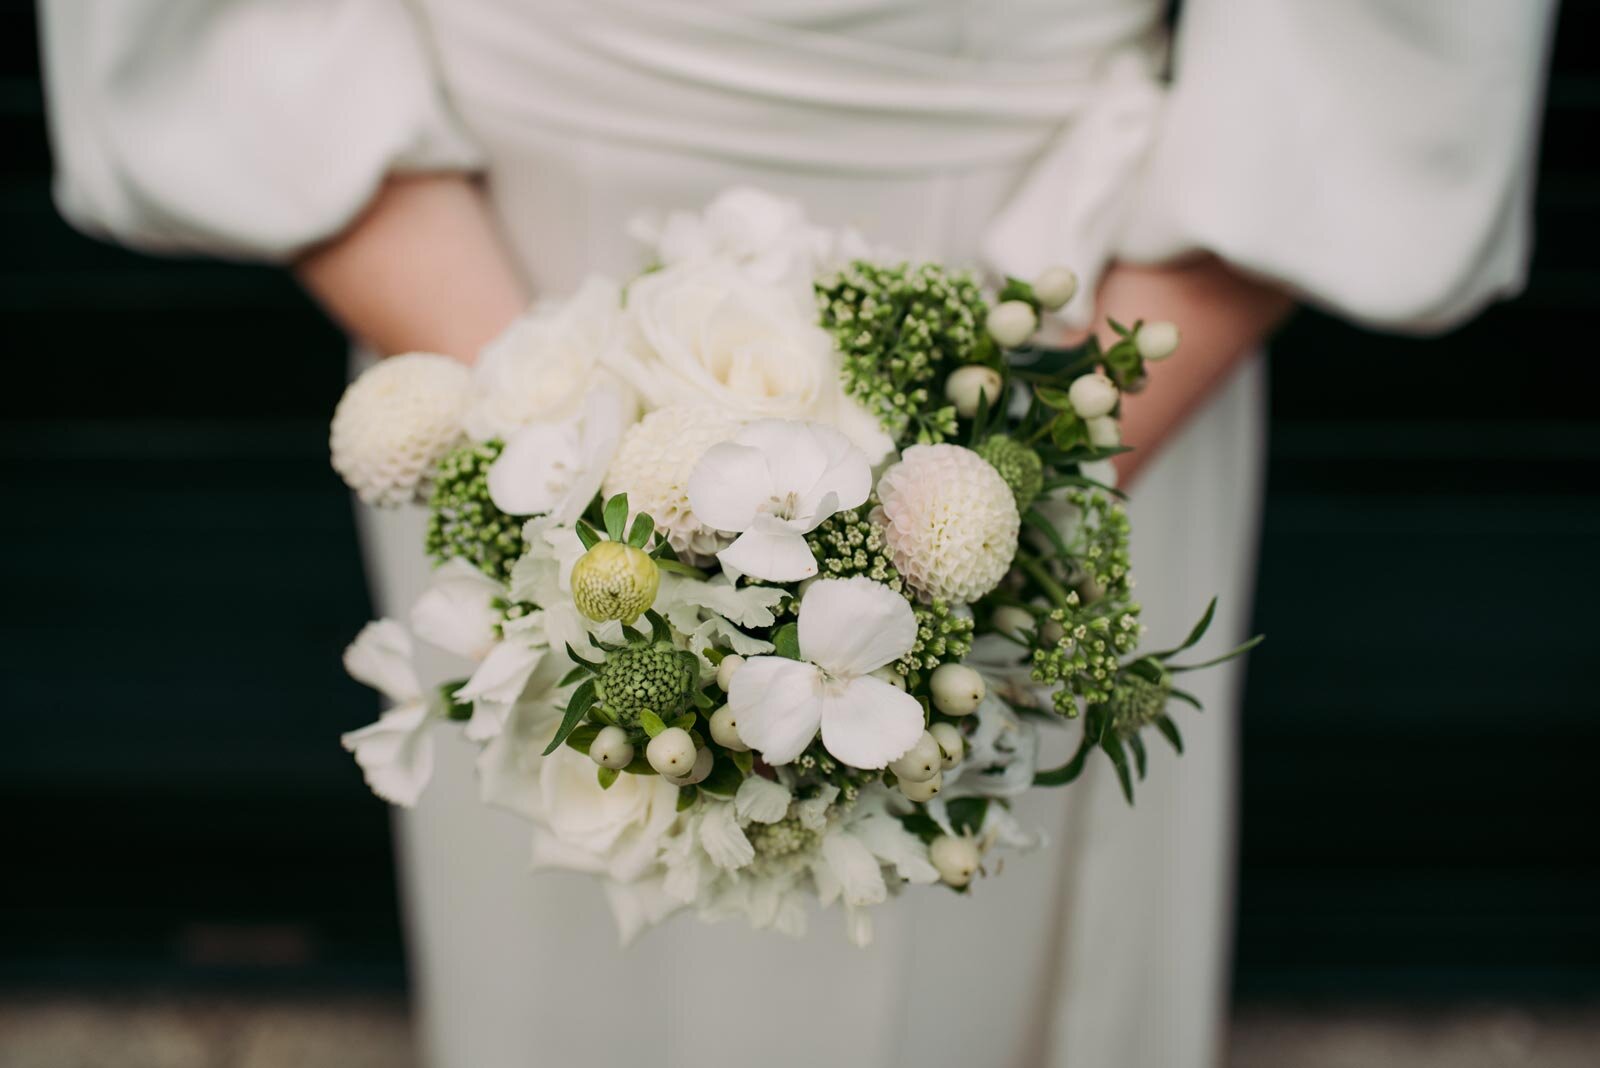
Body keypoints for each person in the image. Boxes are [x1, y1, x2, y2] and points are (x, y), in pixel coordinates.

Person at [38, 2, 1556, 1065]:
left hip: (1068, 316)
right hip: (503, 291)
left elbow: (1367, 63)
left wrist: (1006, 506)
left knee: (992, 932)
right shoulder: (532, 425)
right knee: (569, 881)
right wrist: (558, 468)